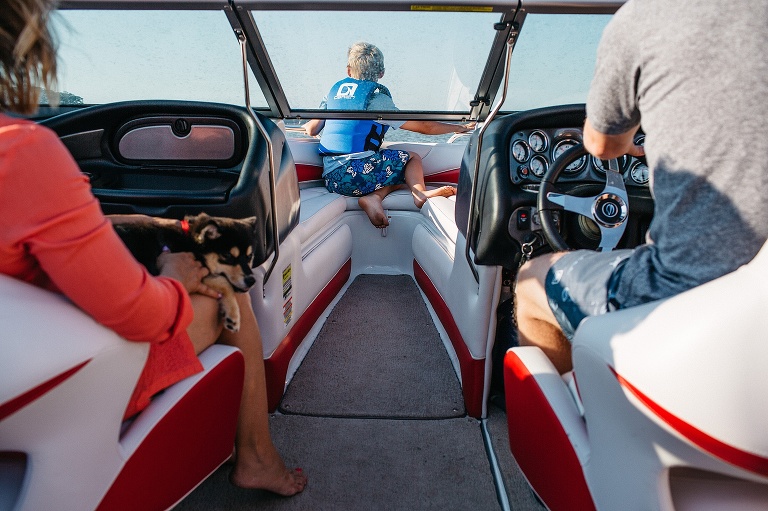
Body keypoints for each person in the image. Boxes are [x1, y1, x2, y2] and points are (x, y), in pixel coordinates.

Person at [0, 0, 306, 497]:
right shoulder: (22, 152)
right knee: (231, 296)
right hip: (69, 385)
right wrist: (175, 274)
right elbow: (142, 315)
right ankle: (256, 456)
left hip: (19, 371)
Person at [514, 0, 768, 374]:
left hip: (679, 289)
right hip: (753, 299)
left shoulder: (643, 16)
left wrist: (632, 142)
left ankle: (583, 413)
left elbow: (602, 146)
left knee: (530, 280)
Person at [304, 41, 474, 228]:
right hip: (358, 174)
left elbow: (312, 129)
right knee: (411, 160)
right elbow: (425, 127)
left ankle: (373, 198)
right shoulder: (377, 100)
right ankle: (420, 195)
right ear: (381, 73)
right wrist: (457, 128)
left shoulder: (332, 94)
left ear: (348, 71)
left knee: (398, 177)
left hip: (332, 179)